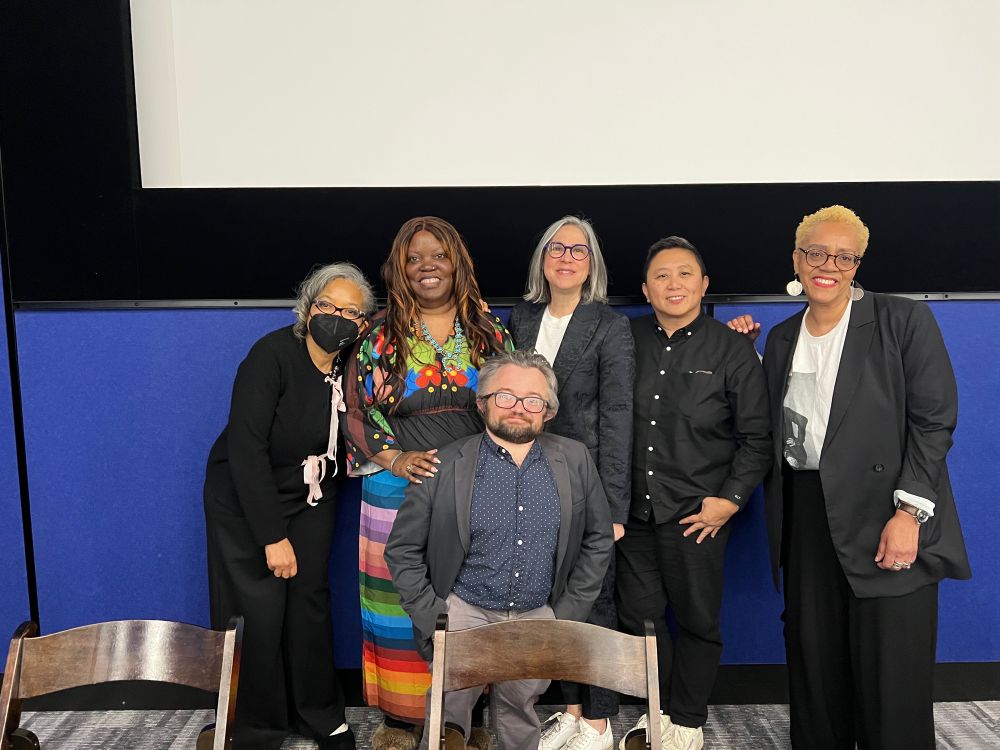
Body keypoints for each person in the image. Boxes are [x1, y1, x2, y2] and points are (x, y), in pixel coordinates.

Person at [726, 205, 971, 749]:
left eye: (844, 256)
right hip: (807, 516)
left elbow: (934, 421)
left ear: (858, 264)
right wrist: (742, 357)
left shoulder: (901, 319)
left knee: (892, 679)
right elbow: (774, 426)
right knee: (816, 672)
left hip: (888, 510)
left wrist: (909, 513)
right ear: (797, 259)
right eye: (816, 253)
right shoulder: (782, 338)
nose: (828, 266)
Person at [384, 349, 615, 750]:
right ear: (482, 402)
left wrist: (564, 614)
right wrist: (434, 614)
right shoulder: (443, 464)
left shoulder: (575, 459)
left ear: (548, 411)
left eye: (533, 400)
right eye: (505, 396)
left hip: (539, 615)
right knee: (447, 718)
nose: (519, 408)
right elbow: (402, 549)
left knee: (519, 714)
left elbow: (598, 538)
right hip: (462, 612)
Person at [343, 217, 513, 750]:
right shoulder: (379, 334)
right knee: (397, 600)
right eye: (414, 258)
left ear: (457, 263)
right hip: (396, 486)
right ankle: (400, 719)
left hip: (475, 484)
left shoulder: (488, 330)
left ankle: (466, 716)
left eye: (438, 255)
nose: (427, 267)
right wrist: (395, 459)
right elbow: (356, 408)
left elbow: (509, 401)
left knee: (471, 595)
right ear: (399, 269)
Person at [204, 262, 376, 749]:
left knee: (309, 602)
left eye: (350, 311)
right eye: (327, 305)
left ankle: (318, 714)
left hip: (313, 494)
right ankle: (256, 728)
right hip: (246, 495)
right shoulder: (271, 356)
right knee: (257, 610)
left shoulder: (353, 364)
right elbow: (246, 449)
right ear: (307, 307)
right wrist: (272, 536)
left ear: (363, 324)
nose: (337, 317)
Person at [616, 237, 771, 750]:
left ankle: (686, 721)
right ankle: (656, 715)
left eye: (685, 274)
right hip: (632, 512)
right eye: (661, 275)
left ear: (704, 285)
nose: (673, 284)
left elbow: (757, 437)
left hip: (697, 515)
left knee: (698, 620)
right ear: (645, 289)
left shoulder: (732, 348)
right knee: (639, 621)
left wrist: (729, 500)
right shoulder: (624, 338)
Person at [507, 216, 634, 750]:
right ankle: (573, 710)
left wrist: (615, 508)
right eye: (556, 248)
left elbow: (618, 418)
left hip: (587, 485)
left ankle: (600, 724)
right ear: (542, 259)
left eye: (578, 250)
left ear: (591, 263)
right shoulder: (521, 318)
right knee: (548, 597)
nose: (566, 258)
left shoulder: (610, 325)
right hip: (526, 480)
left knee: (594, 600)